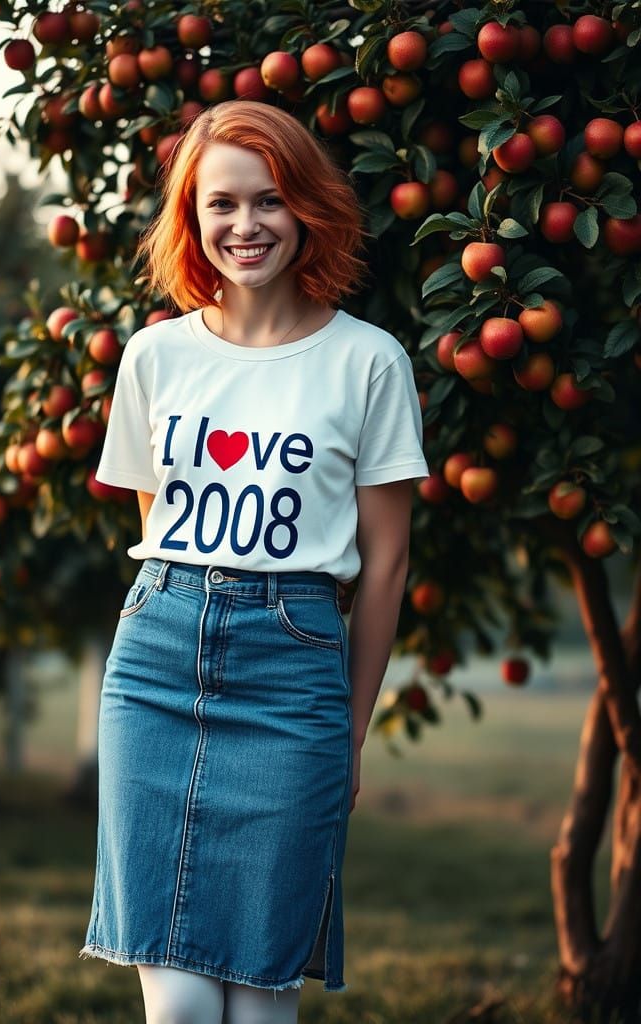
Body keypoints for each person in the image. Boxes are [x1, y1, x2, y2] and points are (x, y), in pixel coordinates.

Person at [78, 100, 430, 1024]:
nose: (246, 226)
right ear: (192, 218)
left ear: (306, 206)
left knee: (262, 997)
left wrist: (350, 731)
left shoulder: (369, 363)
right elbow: (158, 523)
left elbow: (386, 566)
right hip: (155, 662)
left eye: (269, 201)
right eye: (220, 205)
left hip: (294, 670)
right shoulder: (155, 357)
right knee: (181, 1006)